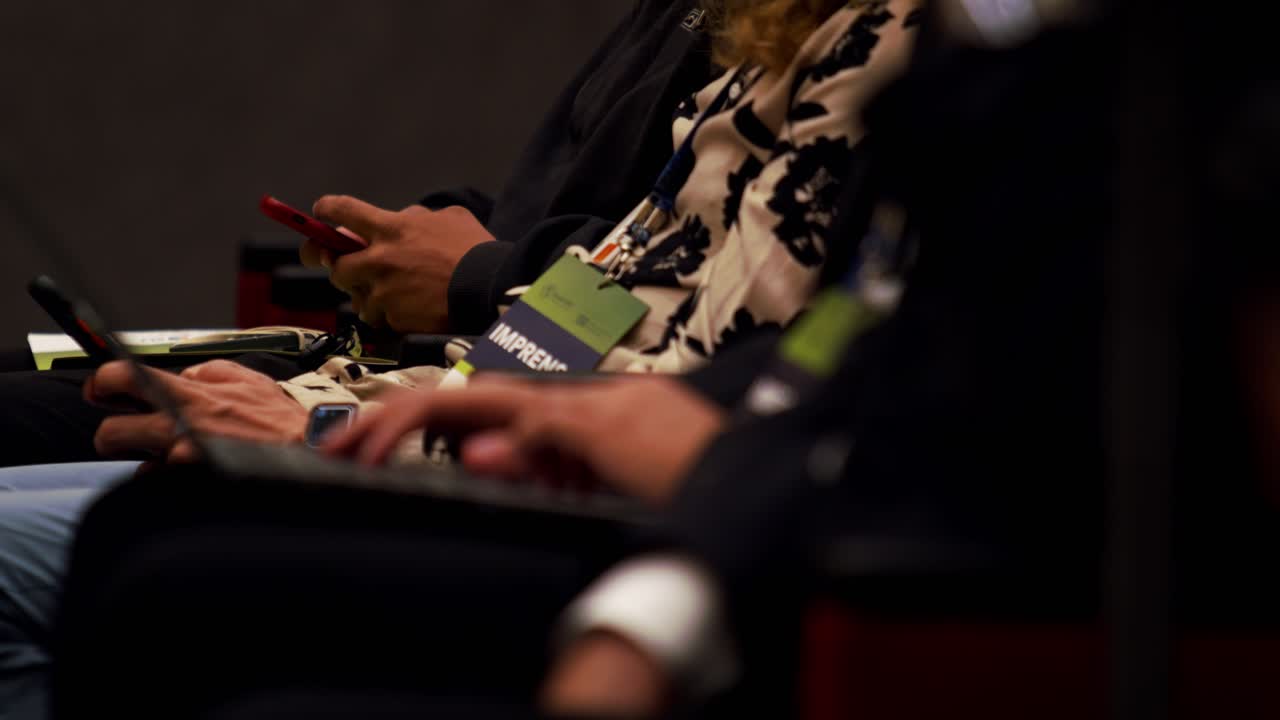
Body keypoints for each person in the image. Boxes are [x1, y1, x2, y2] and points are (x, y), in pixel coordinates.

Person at [1, 1, 924, 717]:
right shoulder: (765, 21)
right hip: (466, 396)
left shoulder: (897, 43)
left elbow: (731, 370)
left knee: (138, 552)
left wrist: (340, 422)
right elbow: (619, 283)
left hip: (608, 493)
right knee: (115, 511)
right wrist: (396, 380)